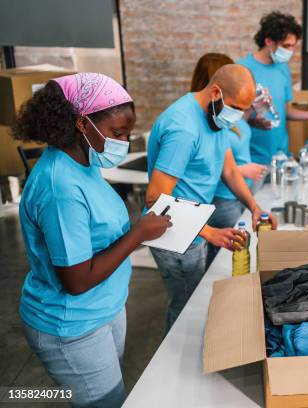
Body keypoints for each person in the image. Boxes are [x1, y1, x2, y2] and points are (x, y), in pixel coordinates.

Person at [13, 73, 171, 407]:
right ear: (83, 124)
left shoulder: (82, 163)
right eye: (118, 133)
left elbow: (95, 234)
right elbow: (76, 280)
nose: (125, 142)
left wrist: (139, 231)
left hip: (103, 308)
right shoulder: (60, 187)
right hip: (72, 325)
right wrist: (137, 234)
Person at [145, 64, 276, 333]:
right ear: (216, 91)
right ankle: (173, 366)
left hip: (194, 228)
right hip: (174, 235)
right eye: (236, 108)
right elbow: (155, 198)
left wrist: (254, 206)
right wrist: (208, 232)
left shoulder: (215, 117)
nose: (239, 116)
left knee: (194, 299)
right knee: (185, 307)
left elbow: (227, 169)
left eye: (244, 109)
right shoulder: (184, 129)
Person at [238, 11, 308, 191]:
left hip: (281, 159)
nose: (290, 51)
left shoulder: (282, 68)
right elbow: (230, 117)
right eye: (286, 46)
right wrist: (251, 119)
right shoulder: (242, 69)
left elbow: (284, 110)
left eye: (293, 46)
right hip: (251, 160)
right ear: (268, 41)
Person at [189, 52, 267, 268]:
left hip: (230, 198)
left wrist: (253, 206)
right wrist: (244, 170)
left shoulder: (223, 119)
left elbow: (230, 163)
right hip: (218, 201)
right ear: (216, 86)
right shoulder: (198, 124)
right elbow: (208, 166)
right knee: (219, 265)